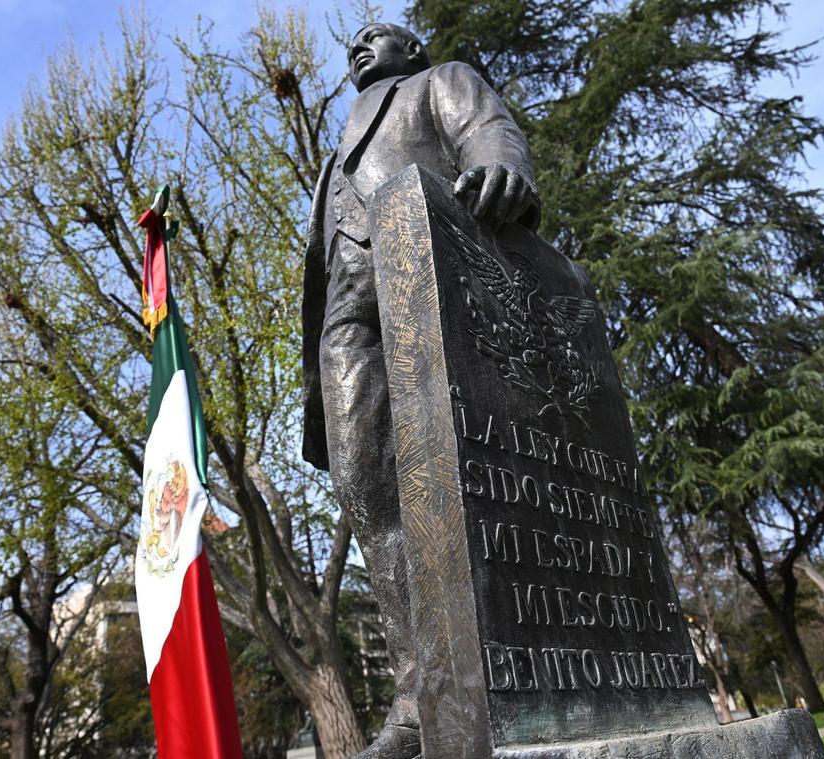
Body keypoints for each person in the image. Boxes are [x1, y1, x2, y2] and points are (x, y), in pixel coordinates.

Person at [301, 22, 540, 758]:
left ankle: (507, 673)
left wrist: (502, 169)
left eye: (378, 36)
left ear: (413, 51)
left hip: (431, 275)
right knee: (368, 491)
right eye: (353, 42)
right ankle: (419, 699)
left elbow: (488, 130)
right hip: (348, 324)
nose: (360, 45)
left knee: (460, 476)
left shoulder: (440, 81)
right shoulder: (333, 156)